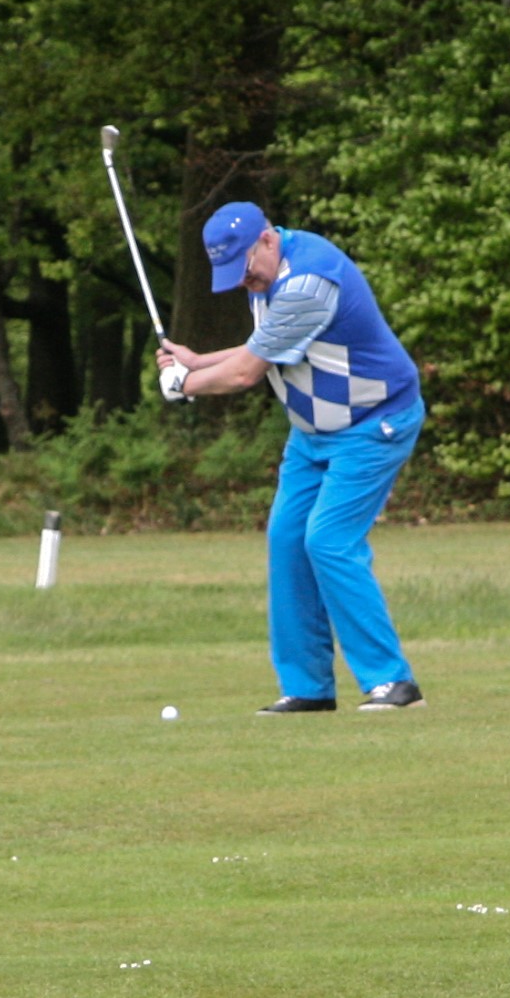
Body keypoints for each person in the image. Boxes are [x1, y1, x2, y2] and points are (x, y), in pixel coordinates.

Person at [155, 202, 425, 713]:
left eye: (245, 268)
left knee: (328, 540)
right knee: (286, 539)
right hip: (312, 435)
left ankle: (393, 683)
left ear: (266, 240)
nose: (242, 282)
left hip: (374, 423)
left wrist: (185, 384)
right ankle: (308, 688)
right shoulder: (270, 275)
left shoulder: (308, 282)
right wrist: (196, 361)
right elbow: (265, 345)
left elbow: (245, 374)